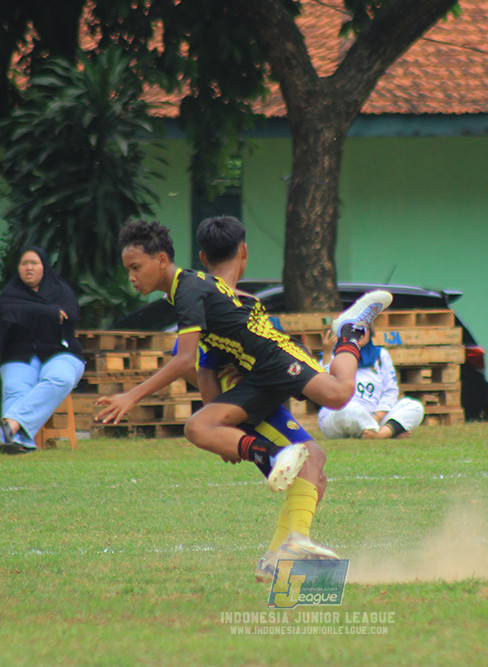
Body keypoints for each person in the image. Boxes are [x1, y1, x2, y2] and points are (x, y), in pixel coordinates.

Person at [94, 219, 391, 561]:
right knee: (207, 429)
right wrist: (223, 430)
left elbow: (186, 359)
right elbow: (204, 365)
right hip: (255, 380)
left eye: (135, 267)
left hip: (274, 356)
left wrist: (130, 396)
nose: (131, 277)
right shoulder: (188, 292)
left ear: (161, 260)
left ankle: (350, 331)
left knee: (338, 395)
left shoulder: (189, 288)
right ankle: (281, 554)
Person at [189, 216, 334, 582]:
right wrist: (223, 429)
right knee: (311, 464)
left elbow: (213, 365)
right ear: (244, 252)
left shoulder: (228, 302)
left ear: (203, 258)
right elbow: (206, 369)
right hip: (246, 408)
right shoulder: (222, 304)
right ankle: (286, 549)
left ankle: (276, 557)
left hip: (253, 402)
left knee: (314, 465)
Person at [0, 246, 86, 454]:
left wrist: (30, 314)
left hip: (60, 352)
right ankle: (18, 443)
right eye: (24, 263)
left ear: (44, 266)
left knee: (60, 379)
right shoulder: (10, 293)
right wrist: (48, 312)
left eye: (34, 263)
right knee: (15, 388)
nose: (28, 268)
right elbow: (6, 312)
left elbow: (70, 316)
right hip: (19, 353)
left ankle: (12, 424)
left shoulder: (61, 291)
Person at [316, 325, 424, 439]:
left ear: (370, 332)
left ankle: (379, 434)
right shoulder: (332, 355)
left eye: (363, 330)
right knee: (351, 409)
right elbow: (326, 388)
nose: (359, 334)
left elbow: (390, 390)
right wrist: (327, 353)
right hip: (341, 415)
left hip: (376, 417)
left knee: (414, 406)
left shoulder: (380, 355)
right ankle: (388, 432)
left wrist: (378, 417)